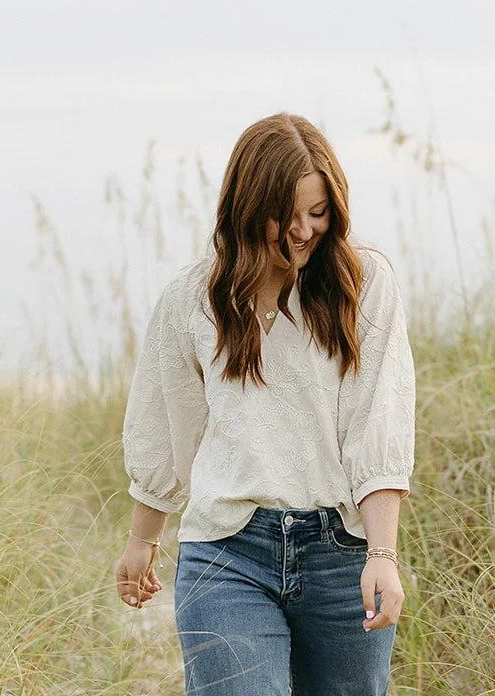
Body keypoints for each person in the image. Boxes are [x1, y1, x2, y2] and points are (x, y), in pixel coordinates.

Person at [115, 112, 416, 696]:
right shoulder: (192, 302)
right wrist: (142, 541)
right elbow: (167, 429)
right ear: (248, 208)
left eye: (319, 212)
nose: (304, 231)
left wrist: (383, 553)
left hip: (342, 554)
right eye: (287, 214)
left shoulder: (365, 285)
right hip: (228, 552)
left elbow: (377, 426)